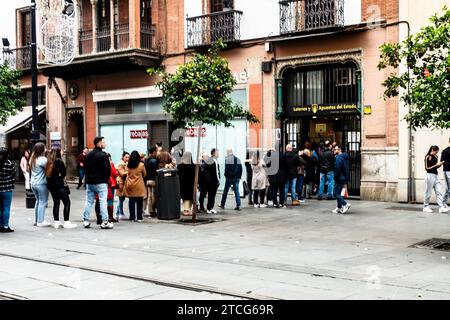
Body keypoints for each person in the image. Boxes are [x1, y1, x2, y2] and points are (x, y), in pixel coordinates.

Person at [82, 137, 114, 229]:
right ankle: (105, 221)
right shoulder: (103, 155)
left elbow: (85, 169)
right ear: (99, 144)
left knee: (88, 201)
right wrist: (106, 179)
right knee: (103, 201)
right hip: (101, 182)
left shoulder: (88, 155)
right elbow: (107, 169)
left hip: (90, 182)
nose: (105, 144)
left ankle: (86, 220)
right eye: (104, 142)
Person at [46, 148, 77, 229]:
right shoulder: (59, 162)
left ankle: (57, 222)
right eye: (61, 150)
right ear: (58, 153)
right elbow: (62, 174)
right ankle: (66, 222)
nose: (63, 151)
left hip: (52, 187)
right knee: (67, 203)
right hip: (59, 186)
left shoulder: (49, 162)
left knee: (56, 203)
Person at [30, 143, 51, 227]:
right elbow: (49, 167)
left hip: (33, 183)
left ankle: (37, 220)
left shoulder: (33, 158)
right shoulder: (42, 159)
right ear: (42, 149)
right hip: (41, 183)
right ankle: (40, 221)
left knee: (38, 201)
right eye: (44, 147)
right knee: (43, 202)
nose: (46, 149)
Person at [423, 145, 448, 213]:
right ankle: (425, 206)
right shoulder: (427, 157)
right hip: (429, 176)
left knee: (439, 191)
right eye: (435, 152)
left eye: (437, 152)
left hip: (436, 176)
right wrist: (436, 165)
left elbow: (436, 167)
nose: (436, 153)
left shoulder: (436, 157)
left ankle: (441, 207)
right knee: (428, 192)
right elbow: (427, 168)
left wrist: (440, 164)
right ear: (432, 150)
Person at [124, 151, 147, 222]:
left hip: (130, 185)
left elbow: (127, 173)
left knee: (131, 201)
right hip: (139, 185)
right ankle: (139, 217)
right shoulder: (141, 165)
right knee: (139, 202)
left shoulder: (128, 164)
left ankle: (132, 217)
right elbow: (145, 174)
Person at [0, 148, 16, 233]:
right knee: (6, 208)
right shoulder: (10, 163)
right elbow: (14, 173)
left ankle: (0, 225)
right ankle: (5, 226)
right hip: (7, 189)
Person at [332, 145, 351, 214]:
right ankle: (339, 208)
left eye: (335, 149)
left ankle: (345, 204)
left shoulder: (339, 158)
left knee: (335, 193)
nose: (334, 150)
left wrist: (335, 177)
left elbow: (337, 168)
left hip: (339, 177)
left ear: (339, 150)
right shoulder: (345, 157)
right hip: (343, 177)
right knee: (338, 193)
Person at [178, 151, 196, 216]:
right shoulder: (193, 166)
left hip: (182, 184)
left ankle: (186, 209)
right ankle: (187, 210)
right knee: (190, 197)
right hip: (191, 184)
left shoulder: (180, 166)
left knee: (185, 197)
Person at [144, 147, 158, 217]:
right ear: (154, 152)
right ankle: (152, 210)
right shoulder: (154, 161)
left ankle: (149, 210)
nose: (157, 153)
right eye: (156, 151)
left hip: (147, 180)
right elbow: (156, 171)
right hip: (153, 180)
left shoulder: (146, 160)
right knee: (154, 196)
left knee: (149, 196)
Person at [115, 151, 129, 220]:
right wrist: (129, 171)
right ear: (123, 157)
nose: (127, 158)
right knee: (121, 199)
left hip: (122, 182)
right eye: (126, 157)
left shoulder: (124, 164)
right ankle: (120, 213)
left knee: (121, 199)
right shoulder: (121, 164)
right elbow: (122, 173)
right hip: (120, 183)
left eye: (128, 157)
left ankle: (118, 213)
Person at [441, 137, 450, 208]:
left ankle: (443, 202)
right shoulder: (445, 151)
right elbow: (442, 162)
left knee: (448, 188)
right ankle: (443, 203)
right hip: (447, 171)